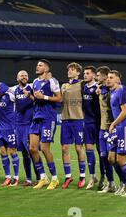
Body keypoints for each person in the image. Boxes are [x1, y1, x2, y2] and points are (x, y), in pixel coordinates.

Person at [29, 59, 62, 190]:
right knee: (32, 148)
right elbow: (36, 98)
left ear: (47, 68)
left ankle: (54, 178)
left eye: (40, 65)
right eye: (37, 65)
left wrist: (45, 97)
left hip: (48, 118)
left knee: (45, 148)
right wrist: (33, 96)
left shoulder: (52, 81)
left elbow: (59, 98)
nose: (37, 67)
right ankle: (43, 177)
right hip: (36, 117)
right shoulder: (35, 82)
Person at [106, 70, 126, 197]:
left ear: (118, 79)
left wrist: (113, 123)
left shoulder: (122, 91)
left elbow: (125, 111)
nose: (108, 79)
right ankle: (124, 184)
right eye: (107, 77)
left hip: (124, 127)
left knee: (121, 159)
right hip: (117, 128)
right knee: (111, 158)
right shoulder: (112, 92)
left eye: (111, 77)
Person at [0, 80, 20, 186]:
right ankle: (7, 177)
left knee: (12, 151)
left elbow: (7, 88)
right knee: (2, 152)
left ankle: (16, 177)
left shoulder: (9, 94)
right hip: (1, 128)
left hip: (11, 127)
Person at [12, 71, 41, 186]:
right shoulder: (15, 90)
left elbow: (38, 100)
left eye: (26, 75)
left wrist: (30, 95)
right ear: (17, 78)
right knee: (24, 153)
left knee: (33, 151)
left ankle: (40, 178)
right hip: (18, 125)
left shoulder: (32, 88)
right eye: (21, 75)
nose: (24, 77)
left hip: (30, 125)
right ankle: (29, 179)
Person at [60, 62, 86, 189]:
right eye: (69, 69)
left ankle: (82, 176)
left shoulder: (82, 84)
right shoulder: (63, 85)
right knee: (65, 148)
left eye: (72, 69)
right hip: (65, 120)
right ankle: (68, 176)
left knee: (78, 148)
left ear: (78, 72)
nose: (69, 71)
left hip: (78, 120)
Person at [96, 66, 117, 193]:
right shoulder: (101, 88)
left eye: (98, 75)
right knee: (103, 156)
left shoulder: (113, 90)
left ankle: (125, 183)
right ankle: (111, 184)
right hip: (102, 128)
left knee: (114, 158)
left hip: (112, 128)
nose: (97, 77)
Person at [82, 66, 102, 190]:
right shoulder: (83, 88)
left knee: (101, 153)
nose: (85, 75)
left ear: (94, 75)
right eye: (84, 73)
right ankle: (92, 177)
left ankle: (104, 177)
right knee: (89, 151)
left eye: (87, 73)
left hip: (99, 124)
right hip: (87, 123)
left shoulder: (98, 89)